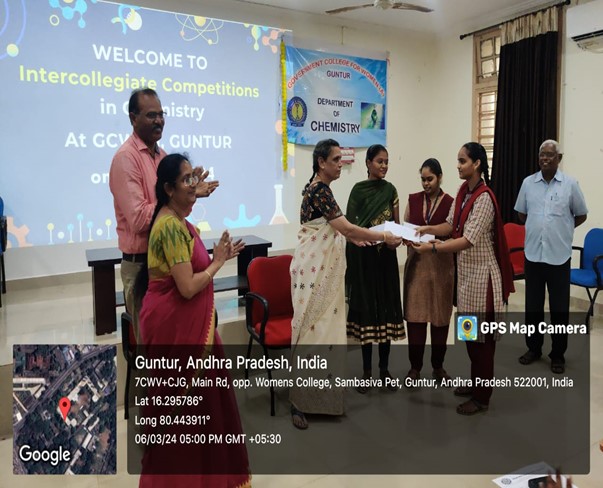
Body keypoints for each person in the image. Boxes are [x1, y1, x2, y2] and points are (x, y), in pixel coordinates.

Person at [135, 153, 250, 487]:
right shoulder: (170, 227)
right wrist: (219, 261)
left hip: (187, 327)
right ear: (169, 189)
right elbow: (186, 288)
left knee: (203, 410)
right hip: (175, 329)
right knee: (185, 415)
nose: (194, 185)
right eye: (186, 180)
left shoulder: (176, 220)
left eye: (193, 178)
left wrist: (193, 190)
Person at [290, 138, 402, 429]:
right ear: (321, 163)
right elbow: (346, 227)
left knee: (323, 333)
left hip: (320, 270)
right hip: (314, 272)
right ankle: (299, 402)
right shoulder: (320, 191)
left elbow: (339, 230)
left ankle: (320, 399)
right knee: (313, 334)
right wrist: (382, 236)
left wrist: (357, 239)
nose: (341, 164)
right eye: (336, 160)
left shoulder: (320, 189)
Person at [109, 88, 218, 341]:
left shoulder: (163, 156)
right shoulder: (126, 159)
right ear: (133, 118)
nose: (159, 120)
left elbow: (173, 209)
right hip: (141, 266)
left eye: (161, 114)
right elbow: (138, 219)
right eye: (151, 115)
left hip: (173, 266)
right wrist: (184, 193)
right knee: (153, 349)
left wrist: (187, 192)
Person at [412, 142, 514, 415]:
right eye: (458, 161)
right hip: (467, 277)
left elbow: (467, 239)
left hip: (483, 278)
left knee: (483, 344)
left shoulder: (484, 198)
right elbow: (450, 225)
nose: (458, 166)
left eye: (462, 161)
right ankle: (475, 383)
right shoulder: (463, 192)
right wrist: (427, 229)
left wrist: (433, 247)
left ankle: (482, 398)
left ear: (476, 163)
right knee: (470, 337)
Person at [514, 139, 587, 374]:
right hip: (533, 255)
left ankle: (557, 355)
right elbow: (522, 214)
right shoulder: (528, 183)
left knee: (559, 309)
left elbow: (581, 215)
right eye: (542, 155)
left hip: (559, 257)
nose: (545, 158)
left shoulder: (570, 185)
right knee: (533, 307)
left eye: (550, 155)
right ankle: (533, 348)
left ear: (559, 158)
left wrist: (562, 230)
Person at [345, 144, 404, 394]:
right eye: (380, 161)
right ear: (368, 163)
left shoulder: (391, 190)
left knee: (386, 312)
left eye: (387, 162)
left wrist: (396, 240)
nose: (384, 166)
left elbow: (396, 226)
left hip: (386, 261)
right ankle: (367, 372)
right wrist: (372, 238)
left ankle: (384, 370)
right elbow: (350, 229)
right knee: (368, 314)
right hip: (364, 262)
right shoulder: (358, 191)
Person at [403, 158, 454, 384]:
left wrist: (431, 233)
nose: (426, 184)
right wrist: (406, 238)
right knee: (415, 318)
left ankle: (438, 367)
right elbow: (406, 226)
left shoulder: (451, 202)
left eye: (430, 179)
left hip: (442, 268)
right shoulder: (413, 200)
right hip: (417, 268)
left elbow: (453, 230)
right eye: (423, 179)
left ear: (440, 177)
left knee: (440, 318)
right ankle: (414, 368)